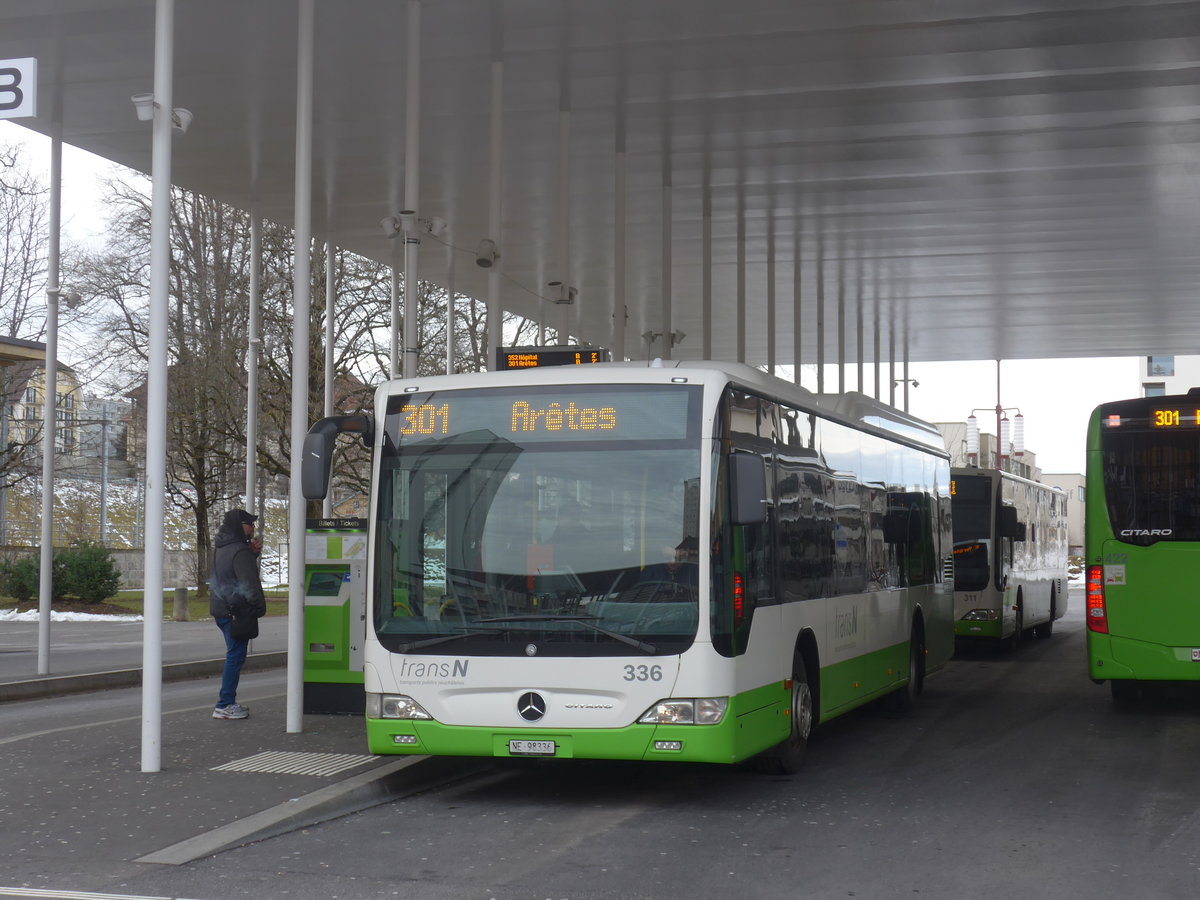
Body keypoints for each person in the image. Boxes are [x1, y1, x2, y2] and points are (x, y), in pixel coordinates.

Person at [209, 508, 266, 720]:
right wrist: (259, 607)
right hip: (236, 611)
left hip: (221, 608)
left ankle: (226, 702)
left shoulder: (222, 547)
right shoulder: (240, 551)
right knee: (235, 656)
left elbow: (227, 574)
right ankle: (224, 704)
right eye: (249, 524)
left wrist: (251, 554)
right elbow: (248, 584)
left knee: (235, 654)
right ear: (238, 525)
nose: (252, 528)